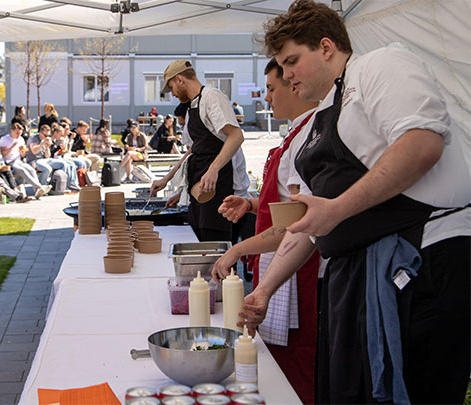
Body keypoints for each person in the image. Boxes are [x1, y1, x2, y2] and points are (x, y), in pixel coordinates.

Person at [240, 1, 470, 403]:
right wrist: (264, 291)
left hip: (424, 265)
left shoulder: (380, 66)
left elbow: (422, 142)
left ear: (327, 47)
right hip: (361, 281)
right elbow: (311, 222)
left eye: (292, 60)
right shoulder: (322, 115)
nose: (286, 74)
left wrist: (338, 209)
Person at [211, 58, 320, 404]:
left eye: (273, 88)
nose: (267, 98)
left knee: (297, 374)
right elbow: (287, 204)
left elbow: (297, 224)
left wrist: (237, 249)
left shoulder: (309, 139)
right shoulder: (295, 134)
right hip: (278, 269)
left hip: (298, 275)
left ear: (295, 84)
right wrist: (253, 204)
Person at [152, 60, 246, 241]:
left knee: (216, 243)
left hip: (220, 186)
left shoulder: (212, 97)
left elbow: (236, 136)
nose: (172, 94)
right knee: (200, 241)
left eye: (171, 87)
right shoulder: (192, 108)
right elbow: (193, 151)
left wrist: (213, 169)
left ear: (180, 79)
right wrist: (168, 179)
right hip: (201, 188)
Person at [0, 122, 51, 198]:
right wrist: (12, 147)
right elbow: (3, 154)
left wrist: (22, 152)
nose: (18, 135)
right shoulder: (4, 139)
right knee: (22, 170)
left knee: (31, 170)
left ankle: (36, 190)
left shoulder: (21, 139)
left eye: (20, 133)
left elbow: (23, 156)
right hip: (9, 162)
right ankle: (39, 187)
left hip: (18, 161)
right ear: (12, 131)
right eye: (17, 133)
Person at [0, 122, 31, 203]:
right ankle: (17, 196)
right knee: (1, 180)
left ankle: (16, 192)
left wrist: (1, 163)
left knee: (7, 172)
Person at [26, 124, 80, 190]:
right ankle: (42, 187)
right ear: (40, 133)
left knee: (63, 164)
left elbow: (47, 156)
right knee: (47, 168)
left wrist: (47, 147)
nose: (47, 137)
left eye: (48, 135)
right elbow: (34, 151)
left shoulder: (46, 140)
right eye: (45, 135)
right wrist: (42, 143)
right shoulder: (34, 138)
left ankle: (65, 185)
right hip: (33, 161)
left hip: (43, 160)